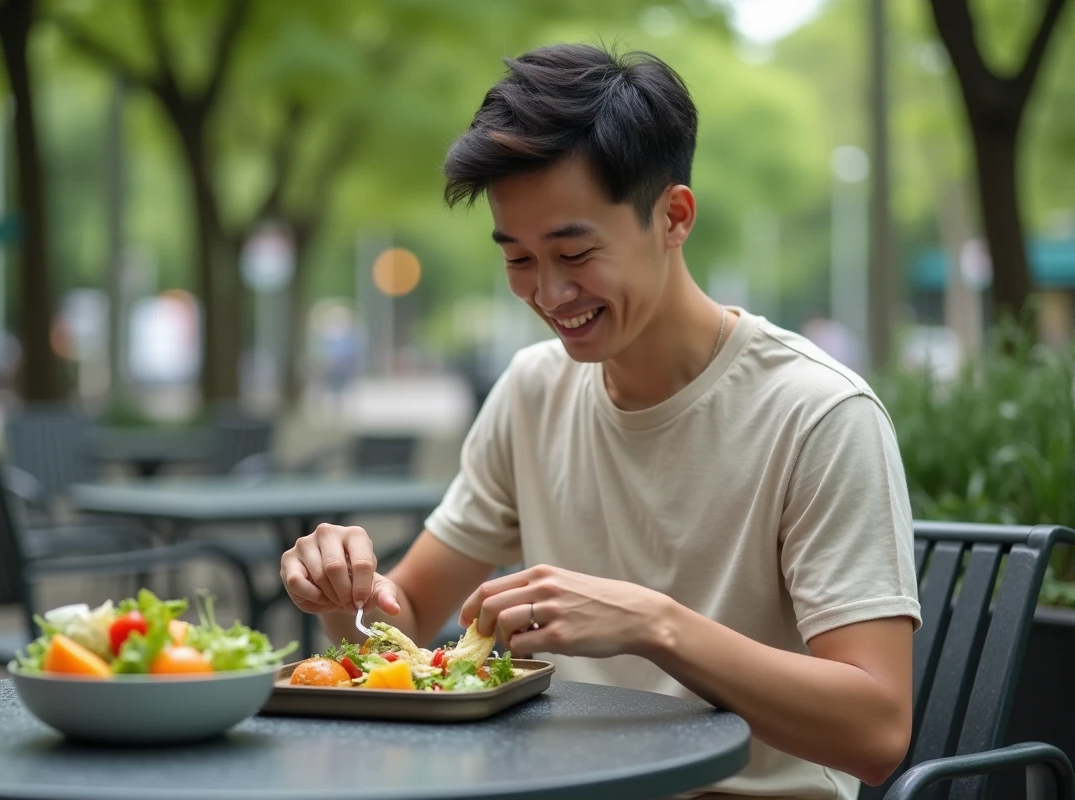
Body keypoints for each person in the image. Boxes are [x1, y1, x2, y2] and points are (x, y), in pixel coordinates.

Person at [280, 43, 919, 800]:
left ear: (673, 217)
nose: (550, 294)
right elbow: (411, 614)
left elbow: (877, 733)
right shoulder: (532, 392)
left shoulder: (817, 414)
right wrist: (346, 592)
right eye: (519, 260)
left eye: (576, 252)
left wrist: (654, 624)